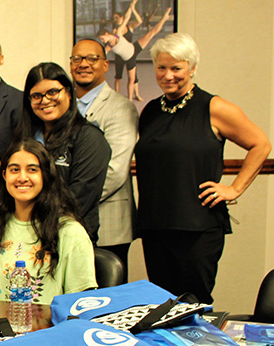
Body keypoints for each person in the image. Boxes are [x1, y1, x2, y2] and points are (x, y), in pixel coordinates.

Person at [136, 33, 271, 304]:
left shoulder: (213, 107)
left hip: (197, 229)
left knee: (193, 305)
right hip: (155, 227)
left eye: (177, 68)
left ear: (192, 68)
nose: (168, 75)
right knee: (161, 306)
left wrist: (234, 188)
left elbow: (261, 144)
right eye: (161, 67)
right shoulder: (150, 111)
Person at [0, 139, 97, 304]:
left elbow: (80, 305)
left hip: (50, 329)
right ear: (4, 175)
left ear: (45, 175)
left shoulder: (71, 232)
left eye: (32, 170)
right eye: (14, 170)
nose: (22, 177)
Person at [15, 62, 111, 243]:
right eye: (36, 96)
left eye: (52, 92)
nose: (45, 101)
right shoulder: (24, 139)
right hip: (25, 237)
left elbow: (78, 198)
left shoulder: (89, 137)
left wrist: (35, 224)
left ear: (68, 92)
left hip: (69, 238)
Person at [69, 39, 138, 275]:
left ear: (106, 65)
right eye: (77, 59)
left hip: (108, 223)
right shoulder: (63, 106)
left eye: (92, 58)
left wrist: (66, 203)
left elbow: (116, 171)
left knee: (107, 303)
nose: (83, 64)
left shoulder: (121, 107)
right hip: (65, 224)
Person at [99, 5, 173, 100]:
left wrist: (132, 6)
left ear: (106, 34)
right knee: (131, 80)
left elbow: (126, 18)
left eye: (102, 38)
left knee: (151, 33)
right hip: (130, 59)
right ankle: (129, 100)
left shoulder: (118, 33)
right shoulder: (109, 46)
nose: (103, 41)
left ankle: (164, 17)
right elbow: (103, 54)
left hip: (134, 47)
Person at [110, 0, 144, 100]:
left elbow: (139, 21)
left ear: (121, 18)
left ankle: (136, 94)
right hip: (120, 56)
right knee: (118, 76)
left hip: (130, 54)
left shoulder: (130, 26)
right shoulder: (115, 31)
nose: (115, 20)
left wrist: (132, 8)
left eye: (116, 17)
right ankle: (117, 96)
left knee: (134, 77)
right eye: (114, 18)